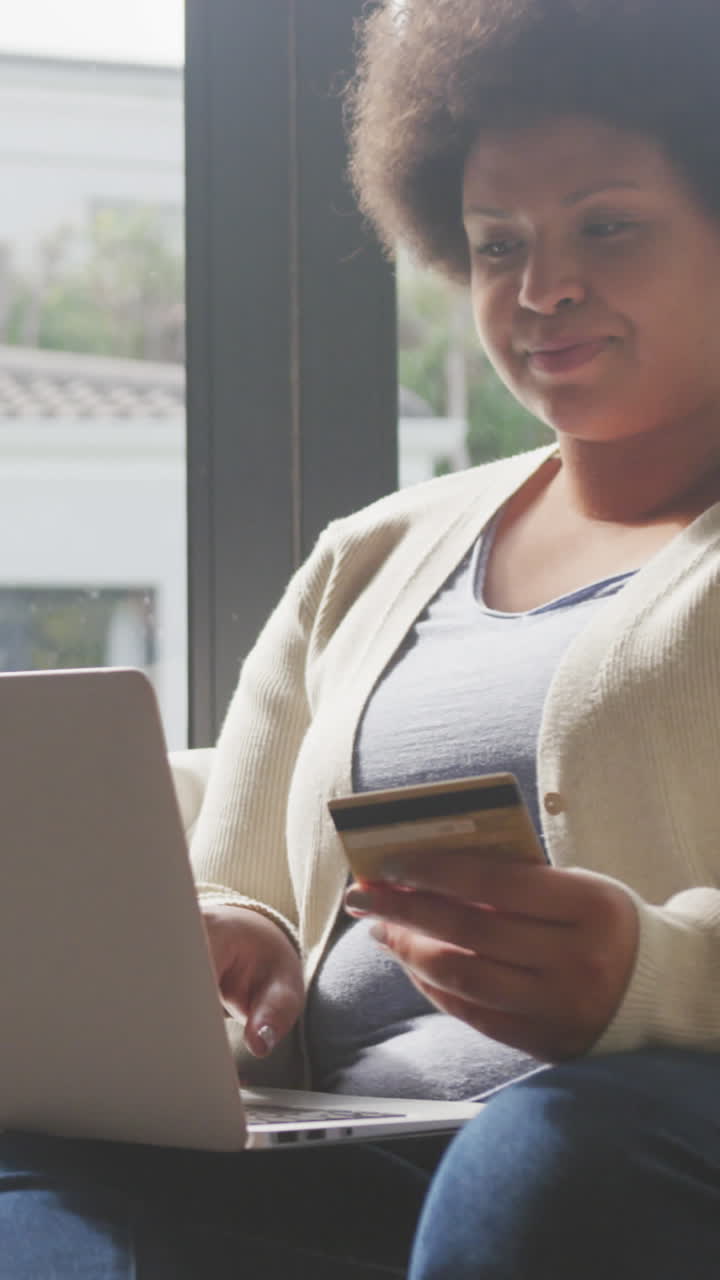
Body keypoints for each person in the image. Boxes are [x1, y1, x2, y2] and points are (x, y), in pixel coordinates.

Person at [3, 0, 720, 1274]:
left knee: (546, 1154)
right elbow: (237, 873)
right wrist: (240, 941)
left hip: (622, 1135)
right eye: (498, 244)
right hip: (344, 1149)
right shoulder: (372, 554)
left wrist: (648, 972)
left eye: (607, 227)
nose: (542, 288)